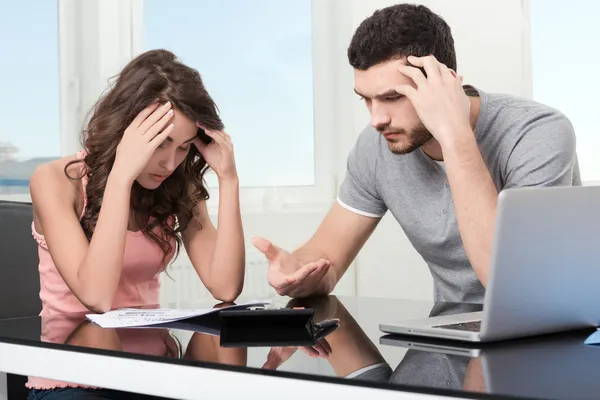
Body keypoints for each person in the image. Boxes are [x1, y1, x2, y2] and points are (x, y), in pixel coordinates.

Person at [253, 3, 581, 303]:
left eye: (393, 98)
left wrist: (454, 134)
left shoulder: (538, 132)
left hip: (548, 337)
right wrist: (296, 270)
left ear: (443, 82)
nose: (376, 119)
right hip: (450, 337)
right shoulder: (376, 145)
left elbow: (511, 284)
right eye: (365, 98)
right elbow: (328, 258)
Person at [29, 49, 245, 317]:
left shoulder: (176, 183)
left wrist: (229, 179)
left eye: (183, 147)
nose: (169, 164)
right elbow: (96, 298)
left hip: (150, 347)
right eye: (159, 144)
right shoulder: (54, 180)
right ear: (125, 129)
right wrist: (121, 176)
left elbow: (225, 287)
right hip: (72, 343)